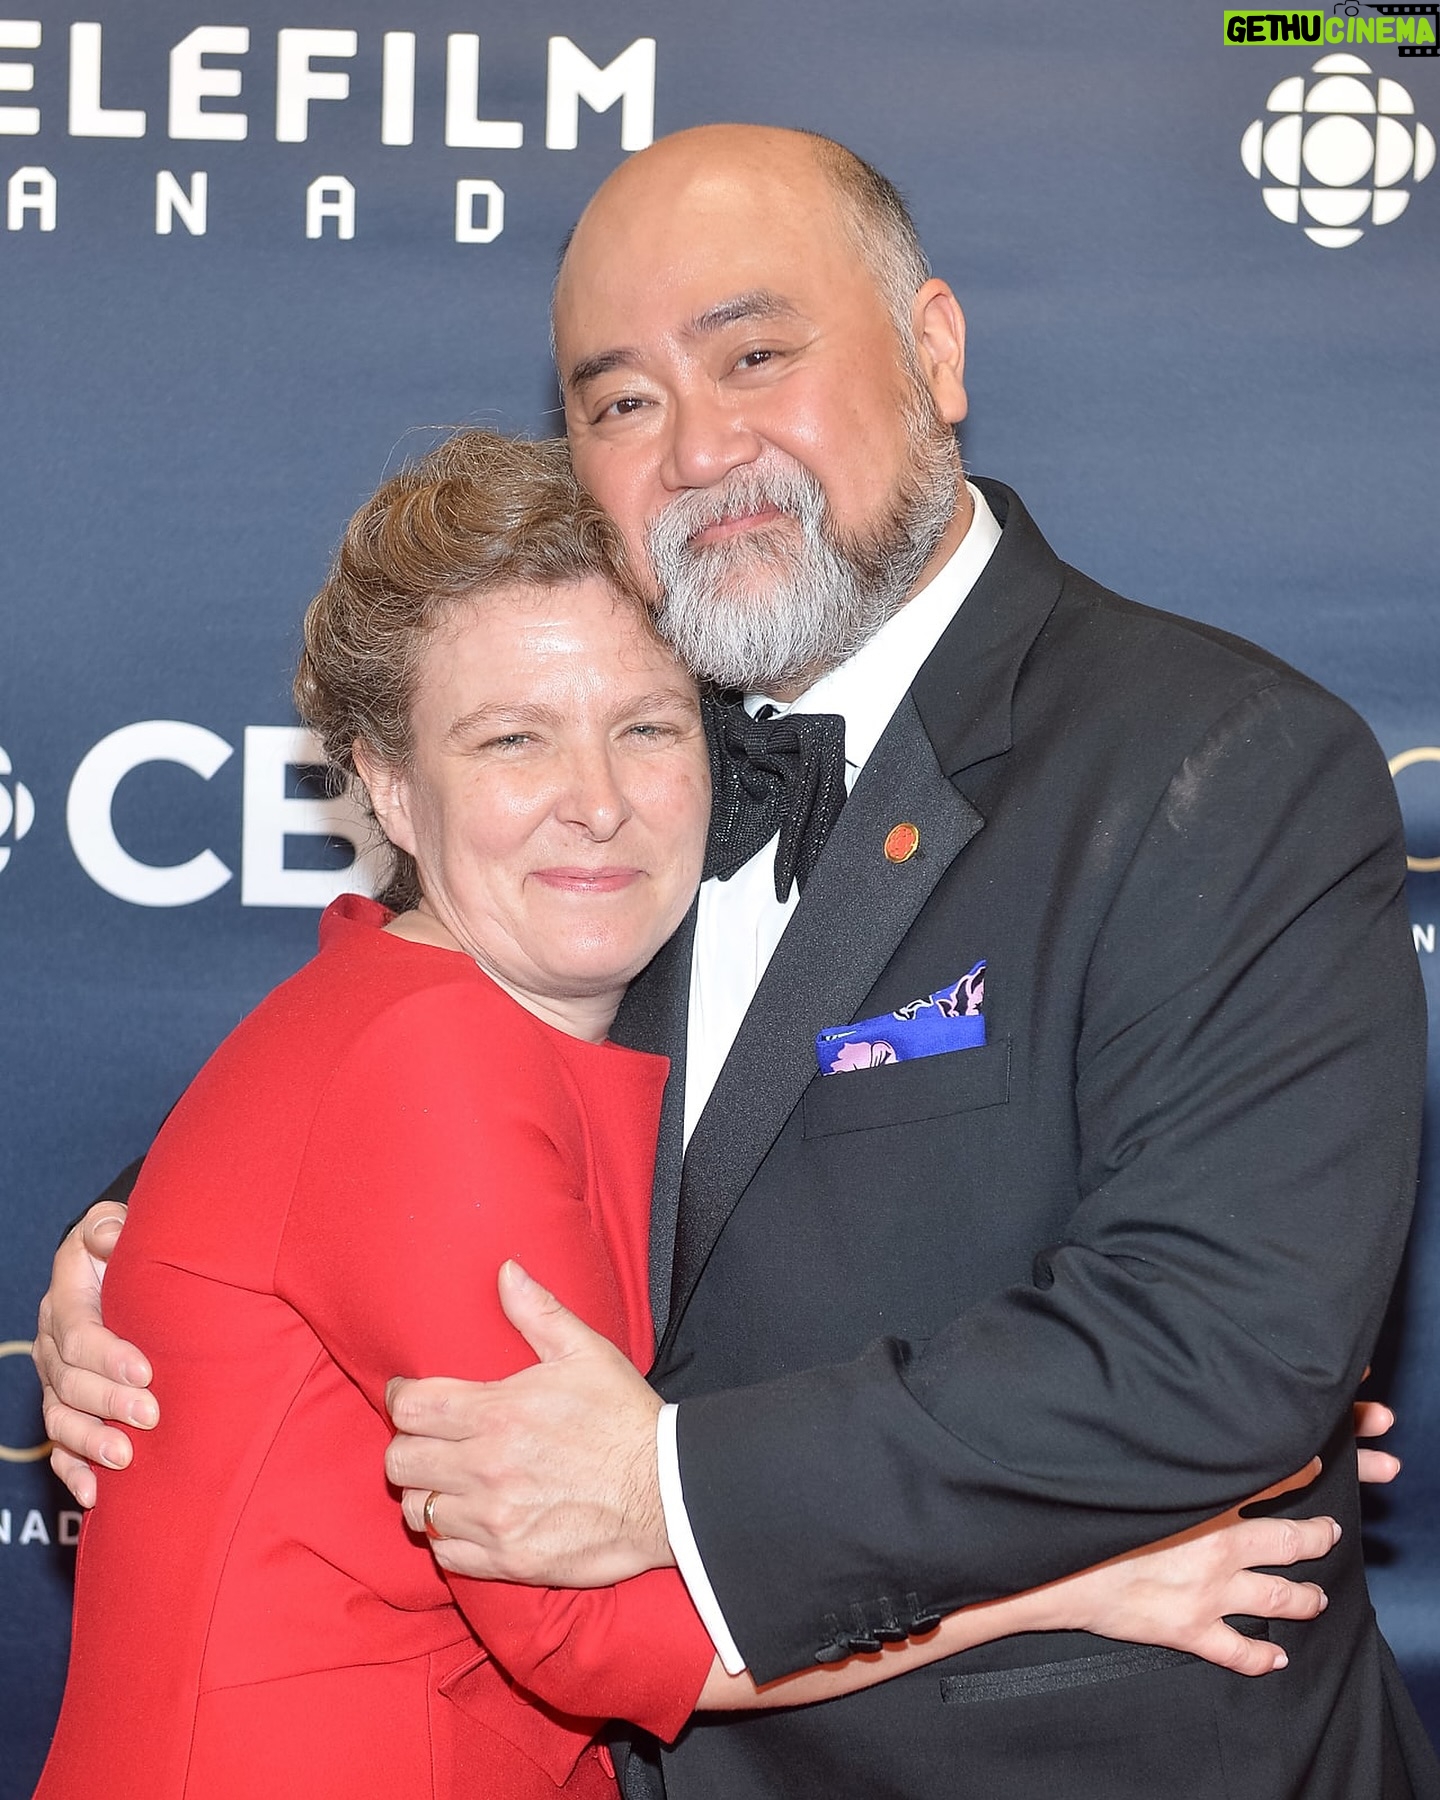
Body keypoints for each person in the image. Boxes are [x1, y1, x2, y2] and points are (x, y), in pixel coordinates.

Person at [37, 128, 1436, 1799]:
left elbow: (1215, 1343)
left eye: (756, 356)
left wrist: (672, 1480)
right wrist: (127, 1256)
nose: (700, 447)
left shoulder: (1220, 761)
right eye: (622, 400)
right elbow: (388, 1078)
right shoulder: (618, 751)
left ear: (934, 351)